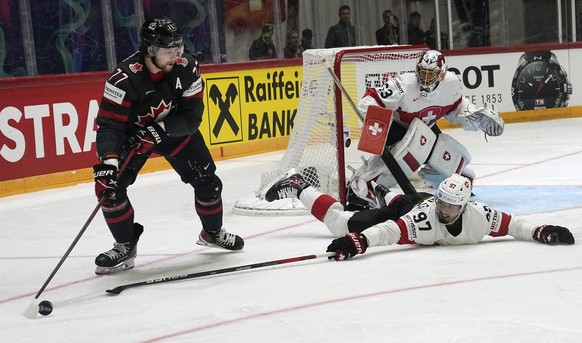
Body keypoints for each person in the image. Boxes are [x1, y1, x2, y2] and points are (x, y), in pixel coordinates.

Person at [93, 16, 244, 275]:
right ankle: (125, 245)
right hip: (134, 138)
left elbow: (192, 117)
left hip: (172, 131)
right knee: (108, 188)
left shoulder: (188, 67)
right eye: (168, 50)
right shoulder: (123, 78)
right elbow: (109, 126)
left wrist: (160, 129)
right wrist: (109, 162)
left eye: (179, 47)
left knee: (208, 180)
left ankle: (212, 232)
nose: (176, 55)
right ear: (150, 50)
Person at [263, 171, 575, 261]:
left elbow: (515, 224)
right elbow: (388, 230)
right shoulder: (427, 218)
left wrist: (542, 230)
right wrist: (358, 242)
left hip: (414, 201)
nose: (444, 210)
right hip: (414, 207)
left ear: (465, 206)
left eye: (451, 206)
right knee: (340, 224)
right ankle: (300, 185)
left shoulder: (479, 217)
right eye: (443, 203)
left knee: (401, 201)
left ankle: (376, 187)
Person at [347, 49, 504, 209]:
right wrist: (376, 124)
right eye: (422, 72)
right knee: (408, 155)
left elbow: (456, 109)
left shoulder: (451, 84)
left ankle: (460, 180)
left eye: (431, 74)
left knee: (450, 154)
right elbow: (371, 98)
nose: (425, 78)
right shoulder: (405, 84)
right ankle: (363, 188)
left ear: (441, 74)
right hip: (397, 130)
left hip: (424, 130)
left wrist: (471, 115)